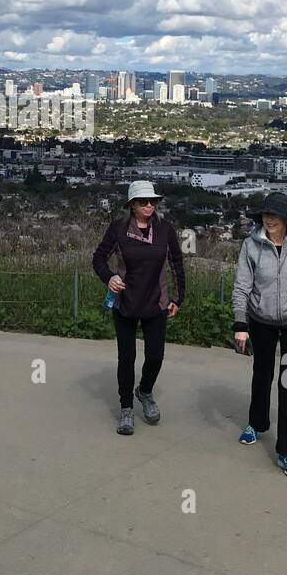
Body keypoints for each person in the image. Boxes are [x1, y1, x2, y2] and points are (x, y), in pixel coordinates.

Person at [231, 192, 287, 477]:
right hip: (262, 318)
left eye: (275, 215)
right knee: (262, 373)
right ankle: (256, 423)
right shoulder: (251, 245)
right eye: (265, 215)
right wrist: (240, 324)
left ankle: (286, 450)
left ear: (286, 219)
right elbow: (242, 286)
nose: (269, 219)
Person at [91, 180, 186, 436]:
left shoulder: (165, 229)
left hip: (156, 302)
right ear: (132, 205)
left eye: (153, 201)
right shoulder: (118, 229)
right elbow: (98, 257)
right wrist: (109, 277)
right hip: (125, 302)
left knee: (155, 356)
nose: (149, 206)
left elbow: (176, 263)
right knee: (127, 358)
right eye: (143, 202)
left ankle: (144, 390)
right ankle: (126, 408)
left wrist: (178, 298)